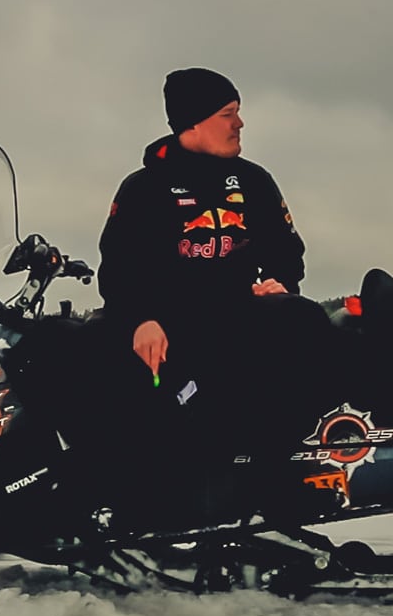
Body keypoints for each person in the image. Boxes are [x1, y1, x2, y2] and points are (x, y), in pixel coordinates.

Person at [96, 68, 339, 466]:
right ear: (193, 121)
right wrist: (140, 320)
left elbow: (284, 249)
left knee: (302, 318)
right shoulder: (143, 188)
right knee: (88, 345)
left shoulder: (253, 181)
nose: (239, 124)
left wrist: (278, 281)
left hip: (235, 313)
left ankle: (279, 463)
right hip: (167, 324)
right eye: (228, 114)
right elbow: (119, 268)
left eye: (238, 112)